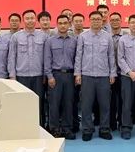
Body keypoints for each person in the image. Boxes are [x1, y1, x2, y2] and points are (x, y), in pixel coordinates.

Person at [75, 11, 116, 141]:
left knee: (105, 104)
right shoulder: (83, 36)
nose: (96, 21)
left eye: (98, 19)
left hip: (104, 75)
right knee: (86, 105)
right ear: (89, 20)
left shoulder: (107, 36)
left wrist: (112, 73)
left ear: (102, 21)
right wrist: (77, 73)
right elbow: (78, 55)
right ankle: (87, 129)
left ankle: (104, 129)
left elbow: (111, 56)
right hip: (87, 75)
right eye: (93, 19)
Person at [8, 10, 48, 126]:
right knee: (23, 103)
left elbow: (47, 58)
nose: (30, 20)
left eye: (32, 18)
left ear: (36, 20)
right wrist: (12, 76)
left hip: (38, 76)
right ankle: (23, 127)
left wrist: (46, 75)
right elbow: (11, 57)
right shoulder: (16, 37)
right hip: (21, 76)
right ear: (23, 20)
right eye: (27, 18)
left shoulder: (43, 36)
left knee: (39, 103)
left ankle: (40, 127)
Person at [44, 15, 77, 139]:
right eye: (60, 23)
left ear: (69, 25)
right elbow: (47, 60)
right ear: (57, 25)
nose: (63, 25)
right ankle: (54, 129)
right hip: (55, 75)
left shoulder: (74, 41)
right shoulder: (50, 41)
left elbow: (77, 59)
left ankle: (67, 128)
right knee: (54, 103)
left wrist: (76, 75)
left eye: (65, 23)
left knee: (68, 103)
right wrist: (49, 76)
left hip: (69, 75)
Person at [107, 12, 128, 130]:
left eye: (117, 20)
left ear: (121, 21)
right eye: (112, 20)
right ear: (109, 22)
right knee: (110, 100)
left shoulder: (126, 36)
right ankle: (111, 123)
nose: (115, 22)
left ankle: (122, 122)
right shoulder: (105, 36)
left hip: (123, 73)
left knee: (123, 99)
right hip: (109, 73)